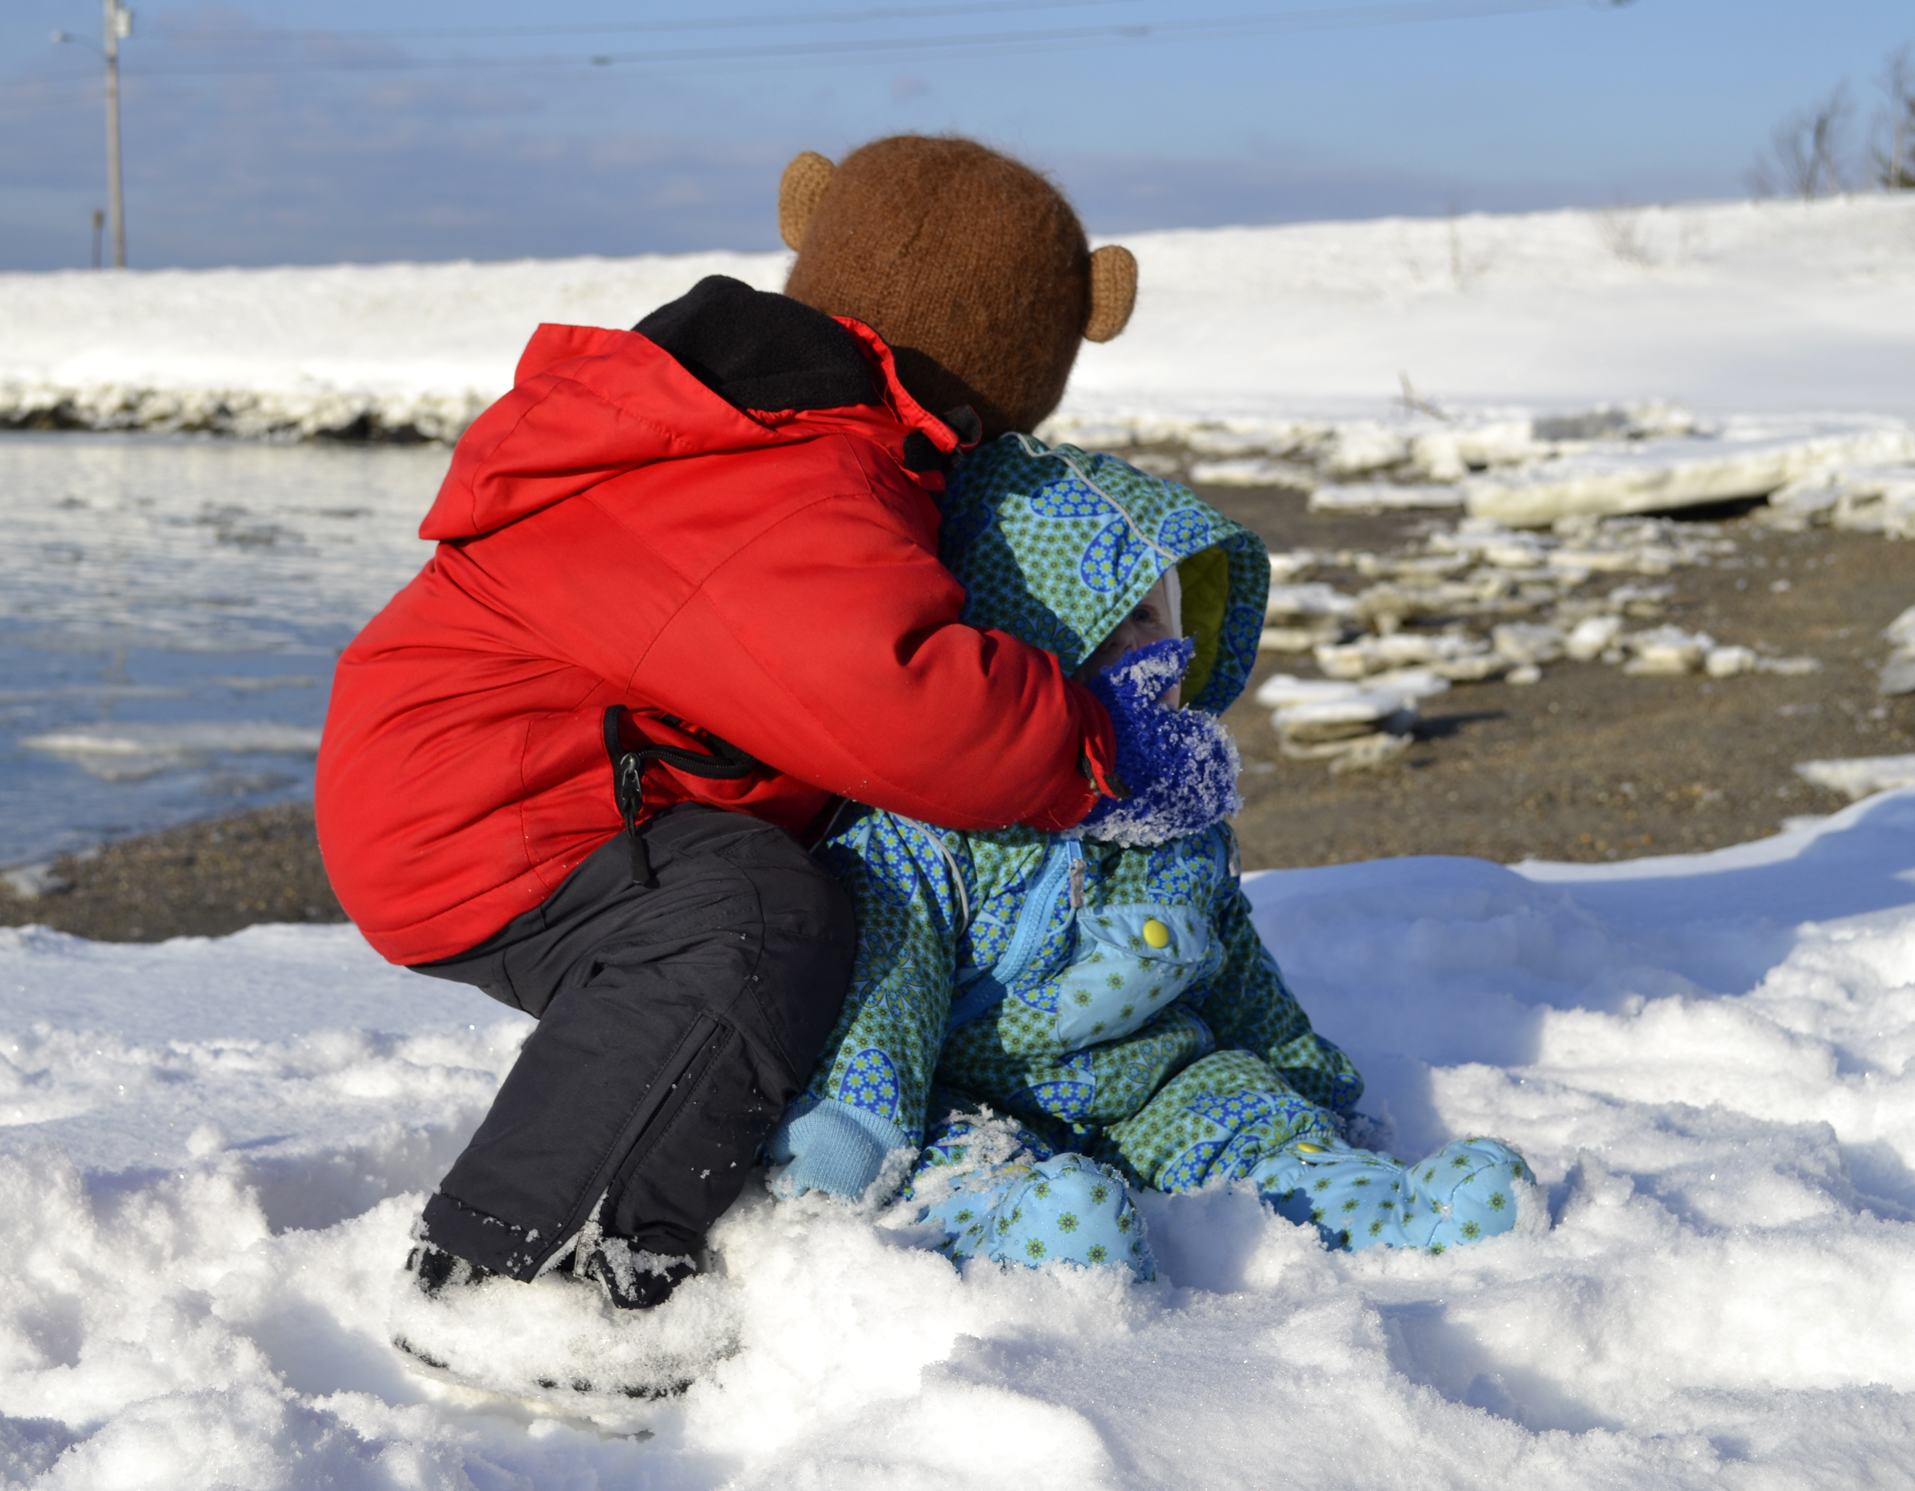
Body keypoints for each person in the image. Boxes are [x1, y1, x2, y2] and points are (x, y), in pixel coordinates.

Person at [317, 136, 1161, 1308]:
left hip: (515, 779)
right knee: (745, 927)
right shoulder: (790, 475)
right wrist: (1101, 740)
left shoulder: (756, 424)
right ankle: (524, 1267)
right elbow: (904, 702)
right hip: (488, 808)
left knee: (790, 910)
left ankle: (731, 1121)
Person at [767, 433, 1534, 1273]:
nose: (1140, 646)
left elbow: (1232, 960)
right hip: (975, 1093)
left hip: (1156, 1082)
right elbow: (892, 986)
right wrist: (850, 1134)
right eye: (1104, 623)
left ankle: (1375, 1210)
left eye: (1152, 617)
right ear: (1017, 639)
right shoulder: (935, 829)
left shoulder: (1182, 816)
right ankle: (1030, 1238)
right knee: (975, 1166)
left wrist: (1300, 1080)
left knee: (1243, 1107)